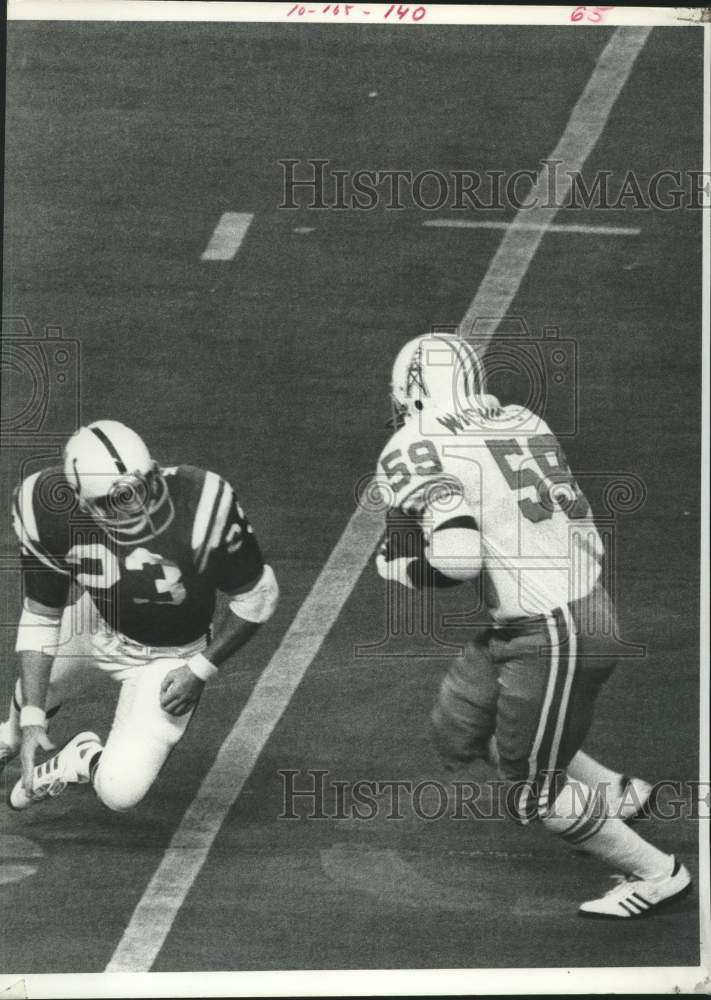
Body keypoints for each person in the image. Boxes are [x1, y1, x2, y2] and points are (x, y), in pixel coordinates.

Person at [374, 332, 691, 918]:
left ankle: (656, 872)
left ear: (413, 392)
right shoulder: (523, 417)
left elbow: (459, 558)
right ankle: (615, 793)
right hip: (546, 615)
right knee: (461, 728)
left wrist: (406, 569)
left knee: (534, 795)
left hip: (555, 631)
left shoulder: (416, 441)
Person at [0, 419, 278, 812]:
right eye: (114, 500)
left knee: (120, 792)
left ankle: (81, 759)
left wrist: (200, 668)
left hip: (171, 656)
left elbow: (259, 597)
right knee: (32, 699)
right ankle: (8, 738)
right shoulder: (46, 507)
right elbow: (42, 615)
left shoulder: (200, 504)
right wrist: (30, 721)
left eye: (139, 489)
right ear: (80, 500)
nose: (135, 507)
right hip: (97, 623)